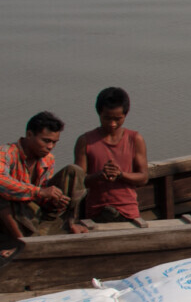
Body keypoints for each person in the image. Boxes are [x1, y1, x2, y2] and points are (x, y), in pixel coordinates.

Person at [0, 112, 86, 237]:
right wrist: (39, 191)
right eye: (46, 141)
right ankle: (21, 241)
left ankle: (69, 222)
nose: (50, 146)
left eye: (54, 142)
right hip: (12, 214)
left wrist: (55, 199)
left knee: (74, 171)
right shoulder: (6, 153)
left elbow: (42, 197)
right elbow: (1, 181)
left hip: (34, 211)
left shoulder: (48, 159)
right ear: (29, 135)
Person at [74, 87, 148, 226]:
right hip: (95, 213)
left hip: (128, 212)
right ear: (99, 113)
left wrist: (120, 174)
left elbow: (143, 178)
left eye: (118, 119)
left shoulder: (135, 139)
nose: (112, 124)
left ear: (125, 115)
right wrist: (100, 175)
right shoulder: (85, 141)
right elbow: (78, 182)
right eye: (107, 118)